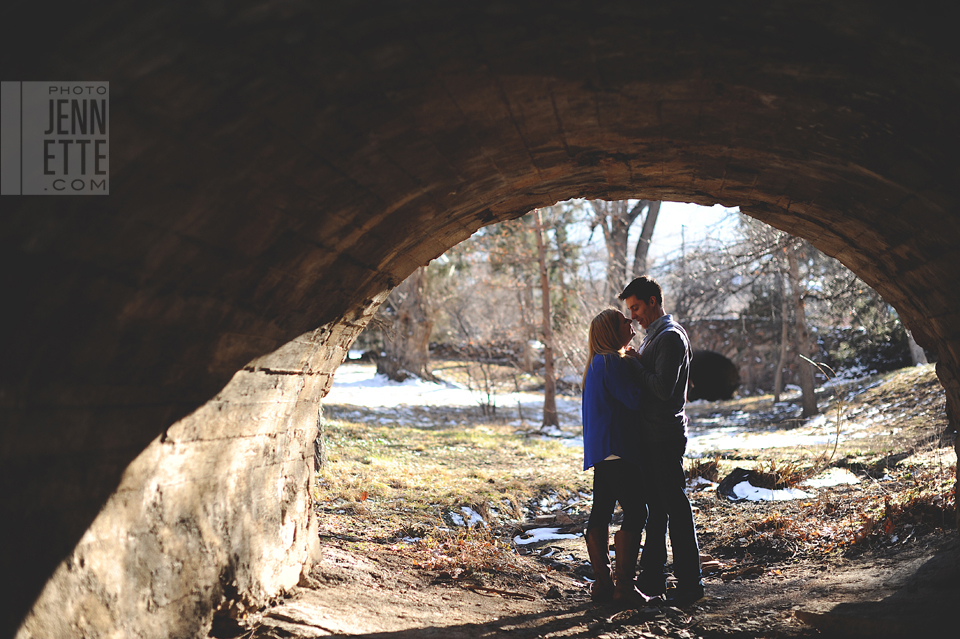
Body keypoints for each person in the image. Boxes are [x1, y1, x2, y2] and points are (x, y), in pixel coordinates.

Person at [619, 276, 705, 605]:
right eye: (630, 310)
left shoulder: (669, 337)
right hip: (654, 434)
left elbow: (661, 389)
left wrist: (633, 363)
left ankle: (691, 584)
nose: (633, 316)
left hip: (664, 436)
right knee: (657, 509)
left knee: (675, 508)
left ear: (653, 301)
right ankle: (653, 580)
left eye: (637, 308)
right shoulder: (655, 336)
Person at [580, 308, 649, 605]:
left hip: (601, 451)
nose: (630, 323)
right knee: (637, 512)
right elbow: (635, 399)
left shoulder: (596, 363)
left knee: (601, 512)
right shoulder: (613, 362)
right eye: (624, 322)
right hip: (618, 448)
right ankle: (624, 588)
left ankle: (602, 584)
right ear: (611, 332)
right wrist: (639, 367)